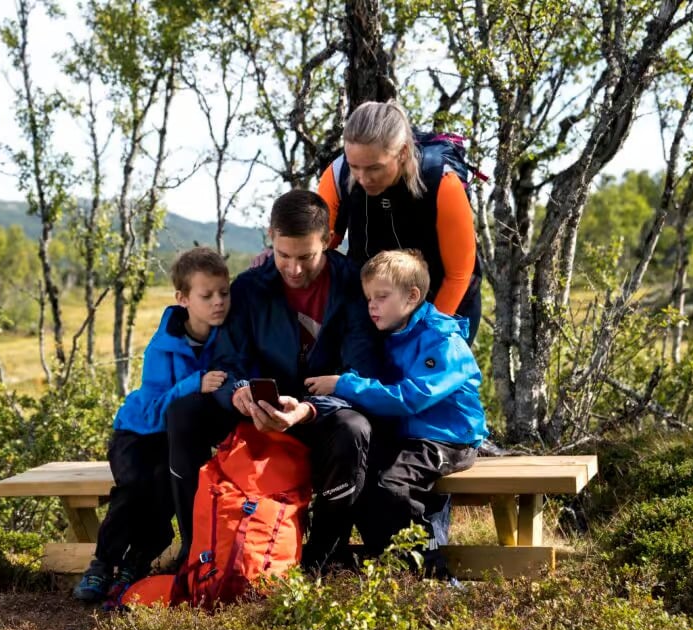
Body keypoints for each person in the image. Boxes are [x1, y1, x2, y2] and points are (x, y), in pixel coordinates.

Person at [166, 189, 383, 572]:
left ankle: (320, 560)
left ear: (329, 240)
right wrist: (238, 395)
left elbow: (363, 375)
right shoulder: (250, 288)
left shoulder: (353, 286)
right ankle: (197, 549)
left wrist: (307, 410)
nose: (293, 269)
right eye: (283, 255)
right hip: (256, 410)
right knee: (186, 413)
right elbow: (227, 362)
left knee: (355, 428)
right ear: (270, 236)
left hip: (317, 414)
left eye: (306, 257)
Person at [305, 249, 488, 573]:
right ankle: (390, 569)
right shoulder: (388, 335)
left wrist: (343, 384)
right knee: (362, 482)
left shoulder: (441, 339)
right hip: (411, 438)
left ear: (412, 296)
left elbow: (411, 398)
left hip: (449, 439)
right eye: (368, 298)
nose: (371, 305)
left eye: (381, 296)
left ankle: (432, 572)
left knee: (392, 487)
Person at [72, 247, 231, 603]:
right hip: (138, 431)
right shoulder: (163, 346)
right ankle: (102, 564)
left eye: (224, 292)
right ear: (183, 298)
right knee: (135, 487)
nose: (218, 302)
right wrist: (195, 383)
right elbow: (155, 406)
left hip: (173, 438)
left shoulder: (226, 337)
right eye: (206, 296)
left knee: (167, 488)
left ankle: (137, 563)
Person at [316, 100, 483, 347]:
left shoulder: (442, 182)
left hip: (444, 298)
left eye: (374, 168)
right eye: (355, 167)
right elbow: (317, 244)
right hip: (375, 302)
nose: (362, 178)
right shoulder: (337, 174)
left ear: (403, 152)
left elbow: (459, 274)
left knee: (426, 379)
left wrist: (426, 336)